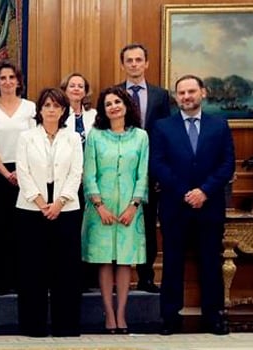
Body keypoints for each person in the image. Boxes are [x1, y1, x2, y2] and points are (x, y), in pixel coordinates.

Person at [151, 75, 234, 336]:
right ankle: (169, 318)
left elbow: (227, 165)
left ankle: (214, 317)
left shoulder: (219, 125)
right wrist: (186, 192)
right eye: (181, 93)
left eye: (191, 91)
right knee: (172, 263)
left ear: (203, 93)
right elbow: (158, 164)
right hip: (175, 206)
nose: (186, 96)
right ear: (176, 97)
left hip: (209, 207)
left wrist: (204, 191)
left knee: (210, 262)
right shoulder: (163, 127)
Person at [14, 88, 83, 337]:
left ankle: (66, 326)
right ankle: (34, 326)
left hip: (66, 209)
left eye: (56, 106)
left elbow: (77, 172)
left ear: (63, 110)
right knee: (33, 269)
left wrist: (59, 203)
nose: (51, 110)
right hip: (32, 209)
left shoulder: (72, 138)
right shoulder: (26, 137)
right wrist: (43, 203)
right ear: (39, 110)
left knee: (65, 269)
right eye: (47, 105)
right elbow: (22, 171)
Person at [82, 86, 149, 334]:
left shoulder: (141, 136)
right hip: (101, 208)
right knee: (104, 262)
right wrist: (100, 206)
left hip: (130, 209)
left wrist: (134, 206)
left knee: (124, 263)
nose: (114, 106)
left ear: (126, 105)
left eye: (118, 102)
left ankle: (122, 314)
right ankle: (108, 315)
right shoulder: (96, 136)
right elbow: (89, 173)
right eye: (108, 103)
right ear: (103, 110)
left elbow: (143, 174)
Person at [0, 60, 36, 295]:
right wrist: (5, 173)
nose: (8, 82)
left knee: (23, 229)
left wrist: (21, 172)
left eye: (12, 77)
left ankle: (21, 280)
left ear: (18, 81)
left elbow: (35, 140)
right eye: (3, 78)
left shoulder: (31, 108)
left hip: (27, 173)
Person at [117, 43, 171, 293]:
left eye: (139, 60)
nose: (134, 64)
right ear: (123, 64)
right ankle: (120, 278)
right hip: (119, 171)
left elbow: (166, 135)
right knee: (118, 222)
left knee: (148, 225)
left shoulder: (161, 96)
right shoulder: (115, 93)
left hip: (150, 172)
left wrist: (161, 172)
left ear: (146, 63)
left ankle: (147, 277)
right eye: (129, 60)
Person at [61, 72, 98, 292]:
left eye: (80, 86)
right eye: (72, 85)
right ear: (65, 89)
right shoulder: (58, 115)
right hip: (65, 181)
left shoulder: (94, 116)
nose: (76, 89)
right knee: (69, 228)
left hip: (91, 179)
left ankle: (87, 277)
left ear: (85, 91)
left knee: (88, 229)